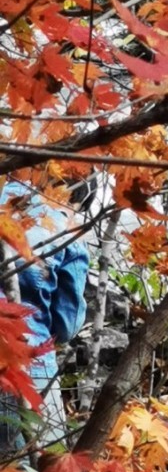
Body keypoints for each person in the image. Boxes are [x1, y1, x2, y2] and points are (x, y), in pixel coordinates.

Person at [0, 183, 91, 456]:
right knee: (37, 468)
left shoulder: (6, 200)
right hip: (28, 358)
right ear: (77, 199)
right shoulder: (68, 232)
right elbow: (67, 323)